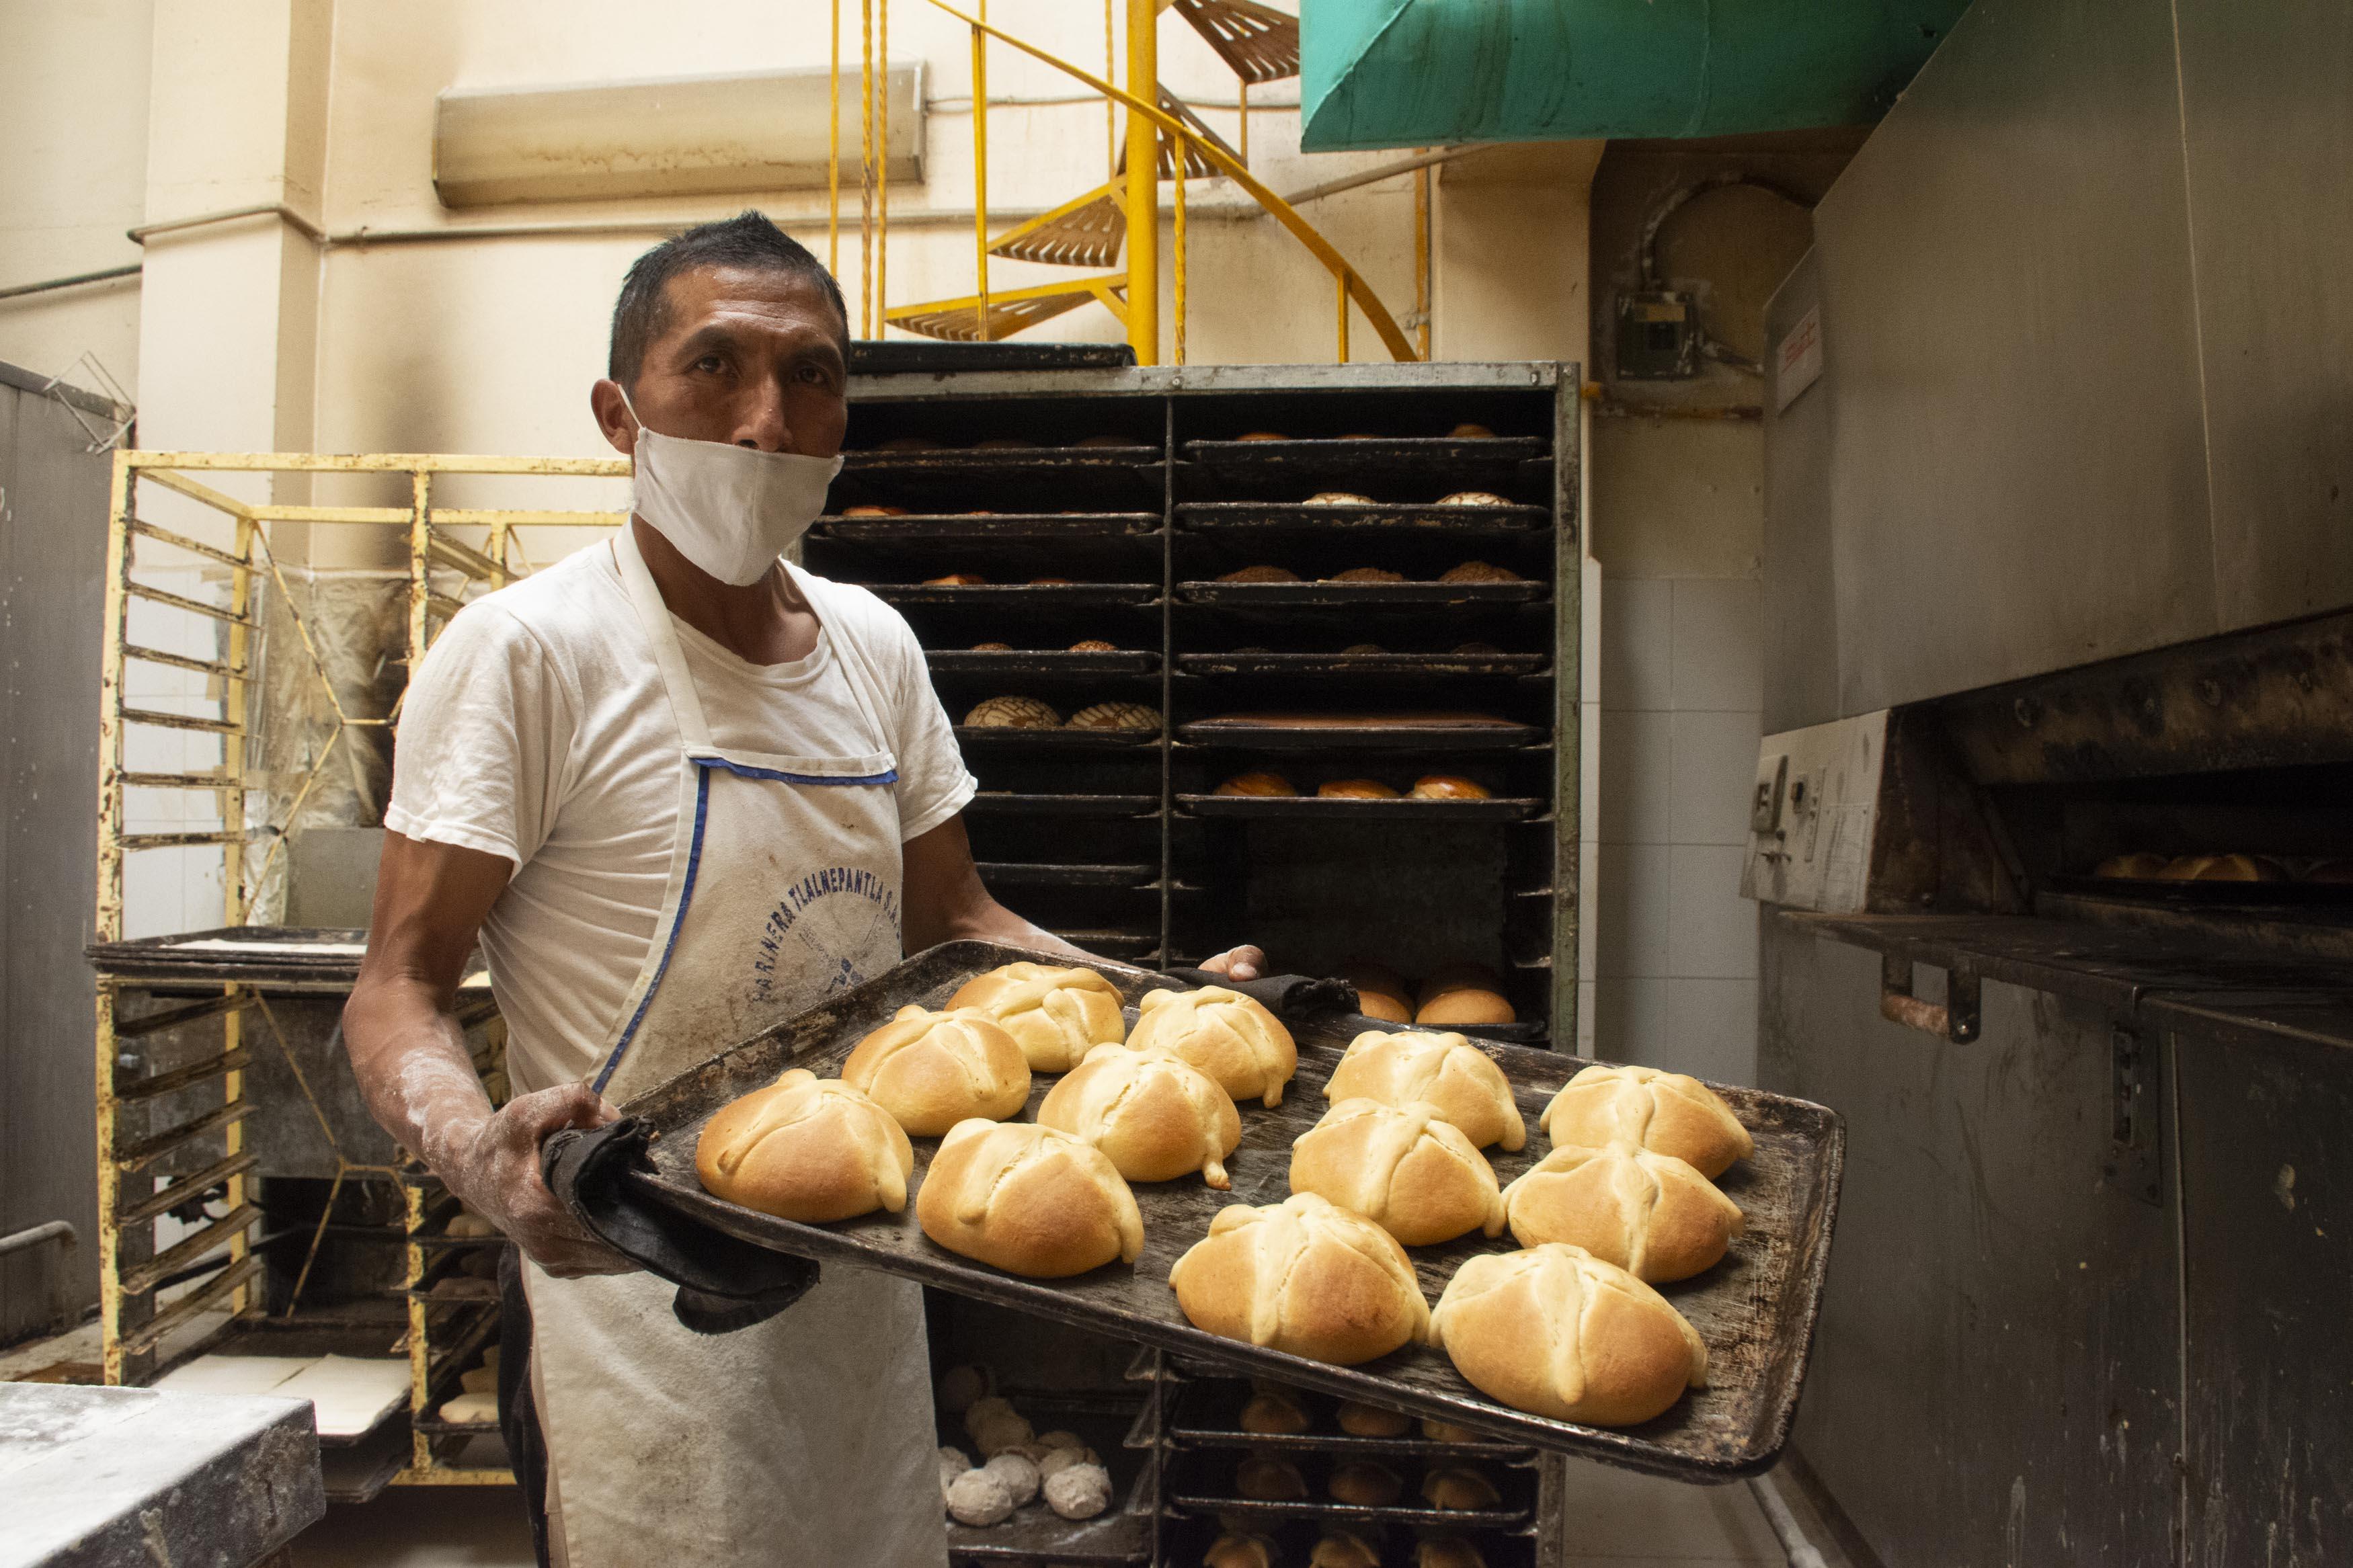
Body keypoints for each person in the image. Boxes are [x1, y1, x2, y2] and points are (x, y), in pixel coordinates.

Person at [344, 211, 1265, 1568]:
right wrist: (480, 1153)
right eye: (714, 365)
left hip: (864, 1267)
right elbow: (399, 986)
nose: (766, 422)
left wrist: (1158, 1007)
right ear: (619, 413)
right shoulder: (528, 653)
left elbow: (957, 927)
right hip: (636, 1292)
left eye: (811, 376)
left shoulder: (872, 645)